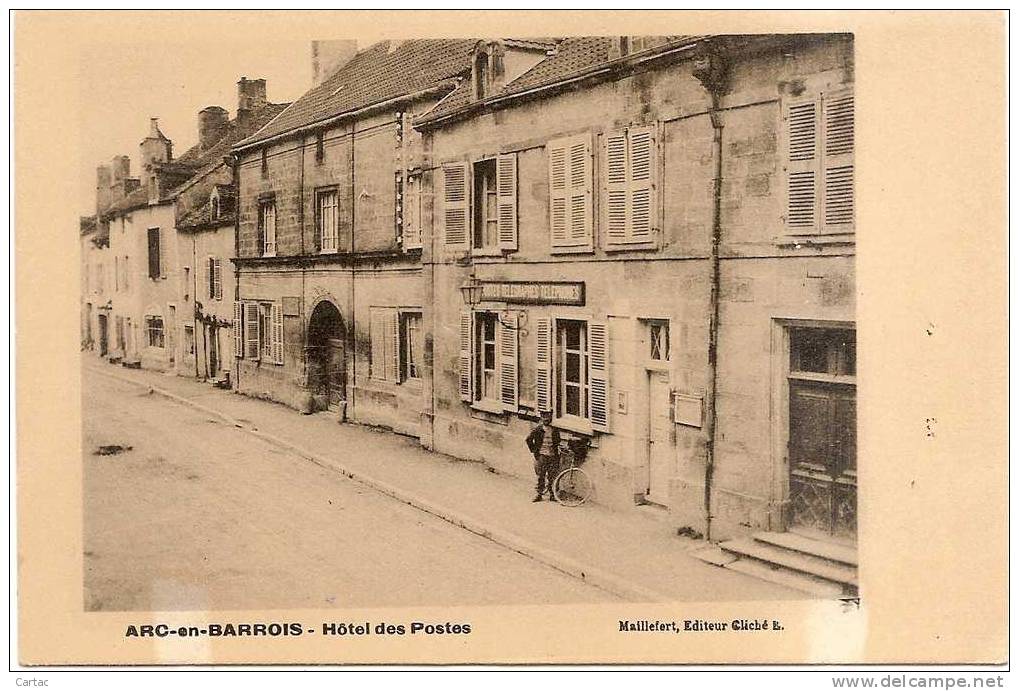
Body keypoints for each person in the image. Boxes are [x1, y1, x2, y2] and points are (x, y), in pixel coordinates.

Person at [525, 410, 560, 503]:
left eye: (548, 418)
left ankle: (552, 494)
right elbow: (528, 440)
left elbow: (558, 441)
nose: (546, 420)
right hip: (542, 456)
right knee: (541, 475)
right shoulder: (538, 430)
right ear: (541, 419)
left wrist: (556, 450)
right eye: (544, 418)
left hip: (552, 455)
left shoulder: (555, 430)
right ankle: (539, 494)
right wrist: (534, 451)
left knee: (552, 475)